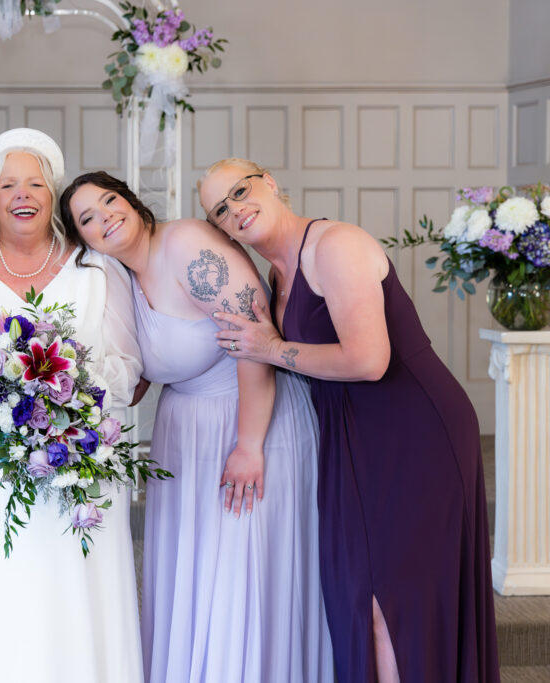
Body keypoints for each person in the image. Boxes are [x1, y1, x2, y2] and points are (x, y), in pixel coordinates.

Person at [202, 158, 500, 683]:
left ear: (270, 182)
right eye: (221, 210)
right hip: (347, 440)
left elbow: (369, 361)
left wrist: (272, 348)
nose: (236, 210)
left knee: (393, 602)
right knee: (357, 598)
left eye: (241, 191)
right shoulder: (276, 273)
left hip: (415, 434)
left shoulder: (334, 246)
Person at [60, 171, 333, 683]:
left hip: (250, 419)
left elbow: (253, 337)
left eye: (110, 200)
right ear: (83, 240)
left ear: (133, 200)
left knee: (241, 577)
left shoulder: (185, 243)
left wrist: (249, 445)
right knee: (199, 576)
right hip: (184, 436)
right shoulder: (115, 278)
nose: (106, 218)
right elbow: (138, 371)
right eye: (88, 219)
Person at [0, 129, 144, 682]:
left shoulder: (97, 269)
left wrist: (60, 393)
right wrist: (9, 389)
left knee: (73, 585)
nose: (23, 194)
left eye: (36, 183)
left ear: (53, 193)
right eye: (8, 184)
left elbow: (127, 366)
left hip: (78, 456)